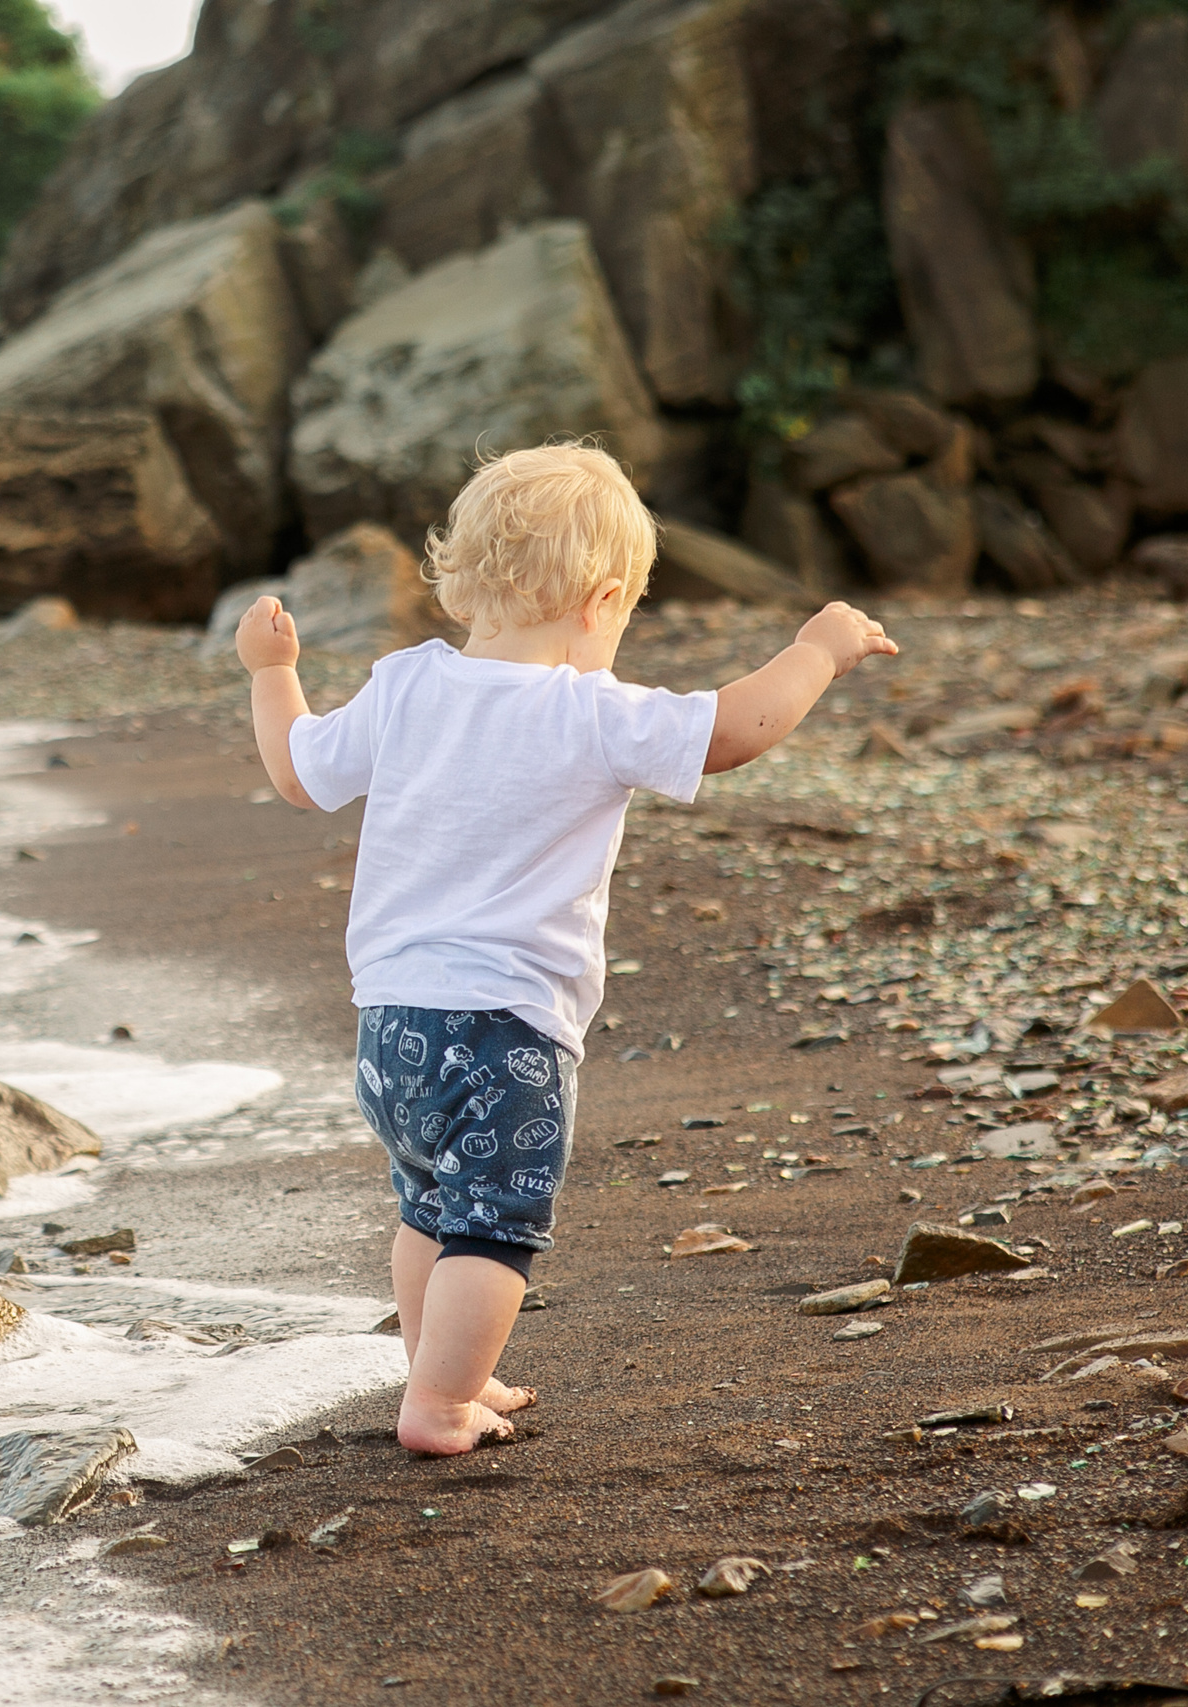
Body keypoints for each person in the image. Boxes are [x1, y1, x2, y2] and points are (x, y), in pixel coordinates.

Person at [234, 442, 898, 1454]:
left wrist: (271, 673)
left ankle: (444, 1373)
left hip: (388, 1024)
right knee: (493, 1226)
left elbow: (295, 773)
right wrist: (819, 648)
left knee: (430, 1211)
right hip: (504, 1027)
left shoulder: (406, 684)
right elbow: (731, 729)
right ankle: (439, 1402)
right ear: (602, 600)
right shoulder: (585, 711)